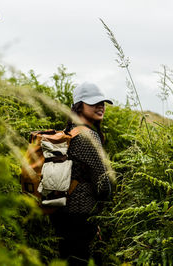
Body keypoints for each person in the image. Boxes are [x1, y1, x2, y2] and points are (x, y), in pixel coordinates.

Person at [50, 82, 113, 265]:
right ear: (79, 106)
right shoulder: (88, 136)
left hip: (61, 211)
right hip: (82, 216)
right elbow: (102, 184)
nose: (101, 107)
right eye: (94, 103)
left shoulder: (69, 131)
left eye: (103, 103)